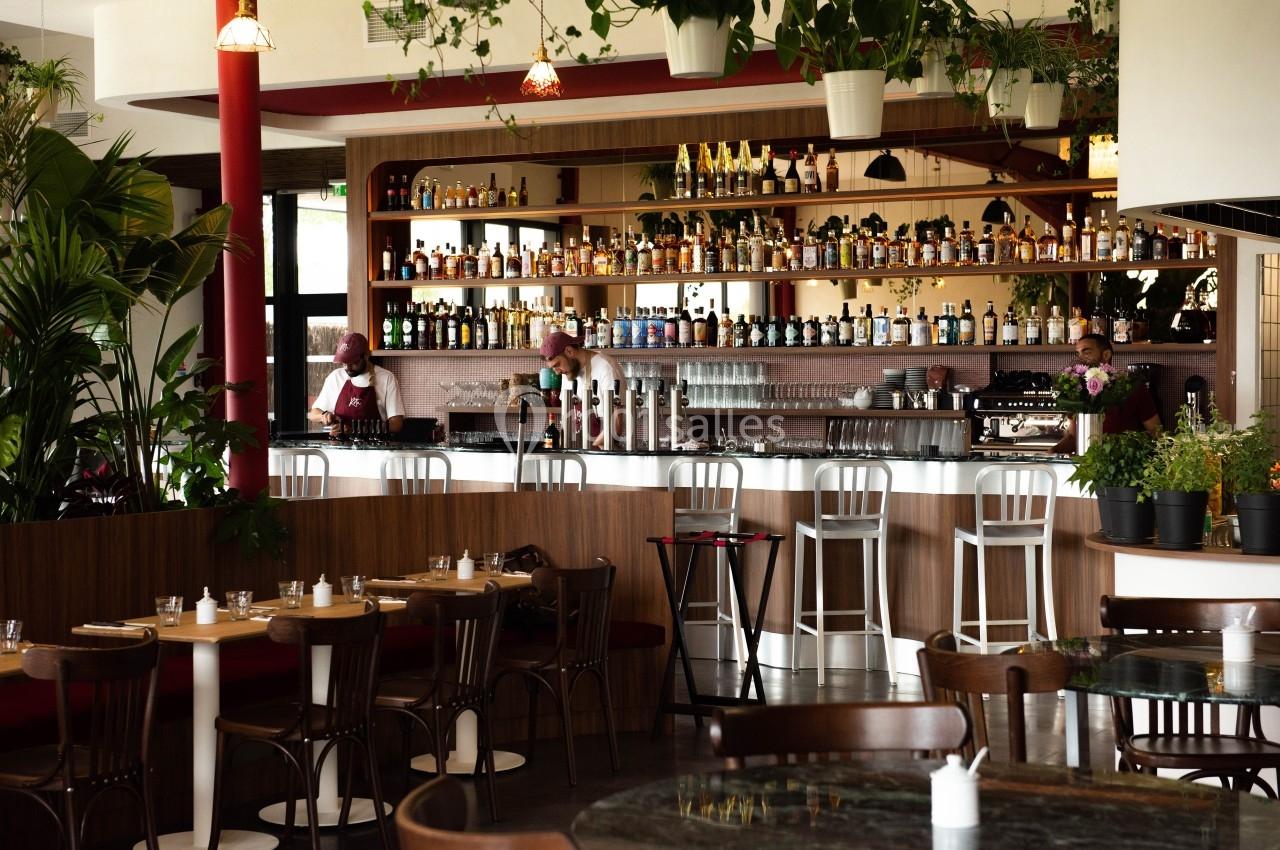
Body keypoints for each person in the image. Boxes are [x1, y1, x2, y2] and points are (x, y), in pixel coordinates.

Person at [1051, 333, 1160, 453]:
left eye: (1086, 352)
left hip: (1120, 464)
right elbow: (1073, 437)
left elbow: (1156, 433)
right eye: (1078, 354)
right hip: (1086, 465)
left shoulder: (1130, 387)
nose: (1080, 359)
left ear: (1106, 355)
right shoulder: (1075, 390)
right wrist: (1052, 453)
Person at [540, 331, 624, 449]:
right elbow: (567, 418)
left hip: (603, 456)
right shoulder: (568, 372)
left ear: (569, 351)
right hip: (576, 455)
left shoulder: (606, 368)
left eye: (557, 365)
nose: (557, 372)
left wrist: (589, 449)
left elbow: (616, 425)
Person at [308, 332, 405, 435]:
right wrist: (324, 416)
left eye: (353, 362)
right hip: (340, 448)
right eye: (344, 363)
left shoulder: (386, 378)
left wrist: (359, 430)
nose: (347, 368)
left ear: (366, 356)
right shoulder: (335, 377)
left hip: (375, 448)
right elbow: (313, 414)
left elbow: (396, 424)